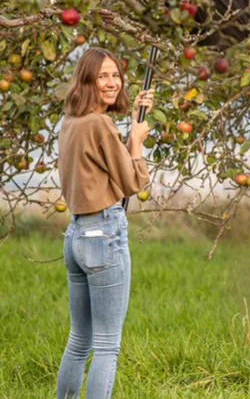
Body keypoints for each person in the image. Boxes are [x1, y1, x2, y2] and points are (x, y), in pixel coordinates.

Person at [56, 47, 154, 399]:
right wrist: (137, 143)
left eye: (116, 75)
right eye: (103, 76)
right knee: (107, 345)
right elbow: (131, 182)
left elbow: (100, 167)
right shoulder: (99, 124)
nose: (112, 83)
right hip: (104, 235)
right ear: (87, 80)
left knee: (79, 340)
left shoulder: (71, 121)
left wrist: (128, 130)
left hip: (76, 234)